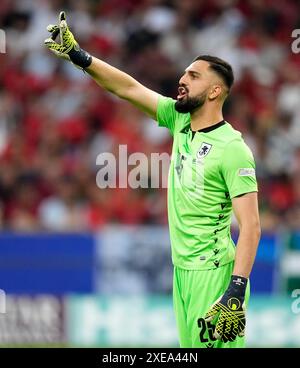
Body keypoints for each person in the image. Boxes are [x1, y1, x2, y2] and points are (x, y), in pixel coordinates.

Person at [45, 11, 261, 348]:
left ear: (215, 91)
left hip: (214, 275)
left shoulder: (233, 149)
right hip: (182, 272)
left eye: (194, 75)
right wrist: (79, 56)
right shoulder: (179, 120)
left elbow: (251, 226)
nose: (183, 78)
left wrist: (235, 289)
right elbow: (127, 88)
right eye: (185, 72)